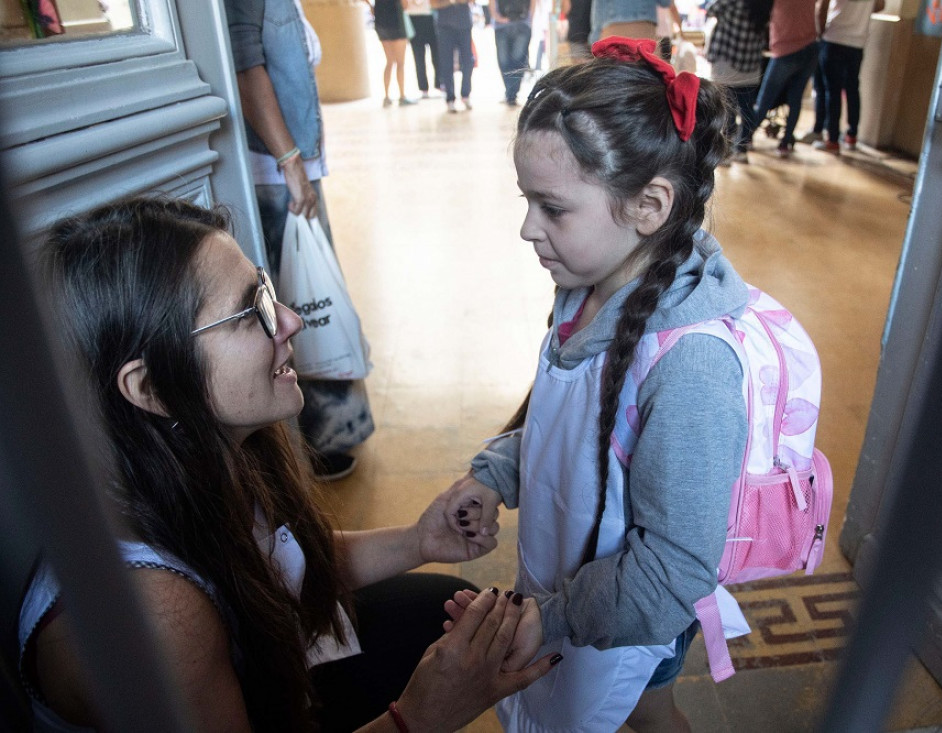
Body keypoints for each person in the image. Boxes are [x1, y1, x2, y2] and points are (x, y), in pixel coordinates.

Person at [18, 197, 560, 732]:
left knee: (437, 611)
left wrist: (420, 540)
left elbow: (282, 566)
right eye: (250, 311)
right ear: (151, 387)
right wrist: (417, 718)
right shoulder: (154, 619)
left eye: (267, 292)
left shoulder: (213, 452)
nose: (291, 321)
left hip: (275, 677)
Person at [443, 37, 751, 732]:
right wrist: (495, 472)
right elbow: (567, 424)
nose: (527, 228)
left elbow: (673, 572)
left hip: (637, 611)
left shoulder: (692, 367)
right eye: (527, 201)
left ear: (649, 205)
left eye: (552, 208)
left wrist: (548, 616)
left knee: (646, 710)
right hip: (564, 575)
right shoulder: (581, 286)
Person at [225, 0, 374, 481]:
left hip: (289, 169)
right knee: (298, 302)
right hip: (276, 173)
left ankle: (328, 430)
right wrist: (291, 162)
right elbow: (247, 70)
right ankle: (316, 435)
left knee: (307, 297)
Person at [745, 0, 819, 158]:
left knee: (765, 99)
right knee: (795, 99)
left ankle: (746, 138)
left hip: (785, 50)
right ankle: (785, 143)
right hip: (810, 47)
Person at [812, 0, 885, 153]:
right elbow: (880, 6)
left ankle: (832, 139)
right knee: (852, 89)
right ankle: (851, 135)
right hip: (857, 42)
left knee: (832, 91)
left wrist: (820, 31)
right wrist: (860, 13)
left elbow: (822, 6)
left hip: (834, 38)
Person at [706, 0, 773, 164]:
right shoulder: (765, 4)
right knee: (747, 109)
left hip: (727, 63)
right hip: (750, 66)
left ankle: (726, 150)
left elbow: (711, 9)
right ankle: (742, 148)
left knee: (726, 109)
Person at [368, 0, 419, 106]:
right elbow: (405, 5)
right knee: (400, 63)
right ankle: (402, 95)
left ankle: (386, 97)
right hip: (396, 22)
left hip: (381, 23)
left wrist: (371, 6)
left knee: (389, 61)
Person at [431, 0, 476, 112]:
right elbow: (433, 4)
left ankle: (465, 95)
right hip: (445, 27)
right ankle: (450, 98)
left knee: (468, 61)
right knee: (446, 63)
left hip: (464, 25)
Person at [490, 0, 536, 107]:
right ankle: (510, 92)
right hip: (502, 25)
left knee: (518, 59)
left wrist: (529, 18)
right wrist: (496, 17)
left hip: (522, 23)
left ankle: (512, 94)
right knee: (504, 60)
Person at [407, 0, 444, 98]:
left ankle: (440, 84)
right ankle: (423, 88)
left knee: (437, 55)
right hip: (414, 19)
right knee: (419, 57)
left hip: (430, 18)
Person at [590, 0, 672, 44]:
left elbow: (599, 10)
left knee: (613, 73)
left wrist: (594, 38)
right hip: (644, 31)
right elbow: (665, 2)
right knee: (645, 73)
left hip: (612, 32)